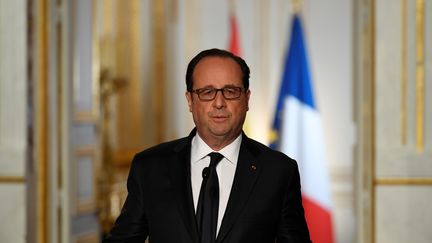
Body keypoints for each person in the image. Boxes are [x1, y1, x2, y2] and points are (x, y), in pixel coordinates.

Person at [103, 48, 311, 243]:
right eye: (207, 92)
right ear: (190, 101)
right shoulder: (149, 167)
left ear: (247, 99)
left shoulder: (278, 171)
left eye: (230, 91)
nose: (219, 102)